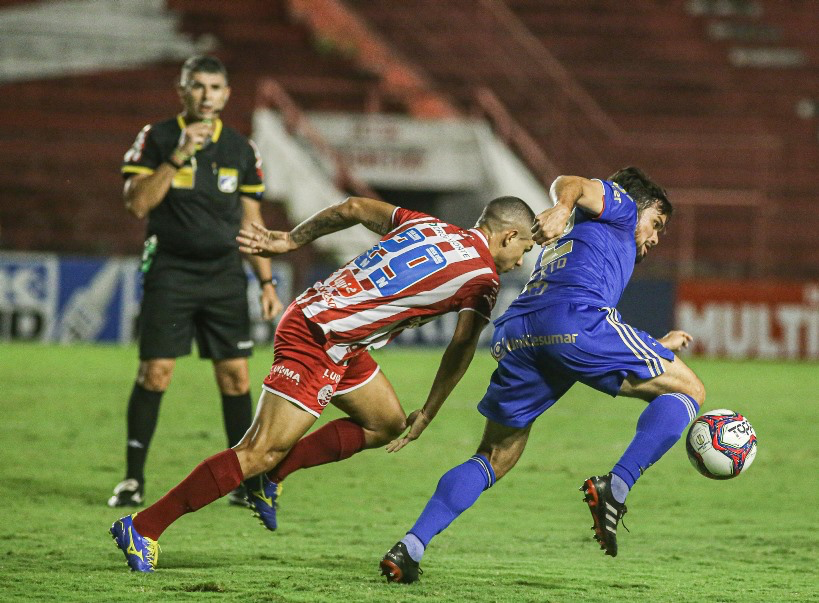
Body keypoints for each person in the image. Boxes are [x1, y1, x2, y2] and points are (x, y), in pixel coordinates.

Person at [109, 193, 536, 572]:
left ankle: (270, 478)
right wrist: (430, 409)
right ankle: (143, 527)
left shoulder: (428, 225)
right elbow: (461, 349)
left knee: (384, 422)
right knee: (258, 450)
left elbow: (352, 208)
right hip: (319, 337)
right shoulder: (484, 279)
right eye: (524, 249)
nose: (521, 261)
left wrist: (291, 240)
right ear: (507, 234)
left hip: (335, 332)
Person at [380, 167, 706, 584]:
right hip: (576, 322)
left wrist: (654, 345)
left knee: (496, 456)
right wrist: (561, 206)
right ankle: (617, 487)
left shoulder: (588, 235)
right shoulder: (622, 206)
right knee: (689, 391)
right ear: (636, 205)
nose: (657, 237)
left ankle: (410, 546)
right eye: (656, 223)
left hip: (521, 331)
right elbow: (572, 182)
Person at [109, 55, 283, 509]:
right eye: (198, 86)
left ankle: (243, 480)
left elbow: (252, 219)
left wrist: (266, 281)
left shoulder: (242, 150)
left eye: (215, 87)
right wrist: (179, 155)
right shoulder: (158, 137)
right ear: (181, 90)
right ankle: (132, 479)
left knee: (235, 377)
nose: (207, 95)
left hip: (225, 275)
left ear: (227, 95)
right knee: (156, 373)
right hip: (170, 271)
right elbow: (137, 204)